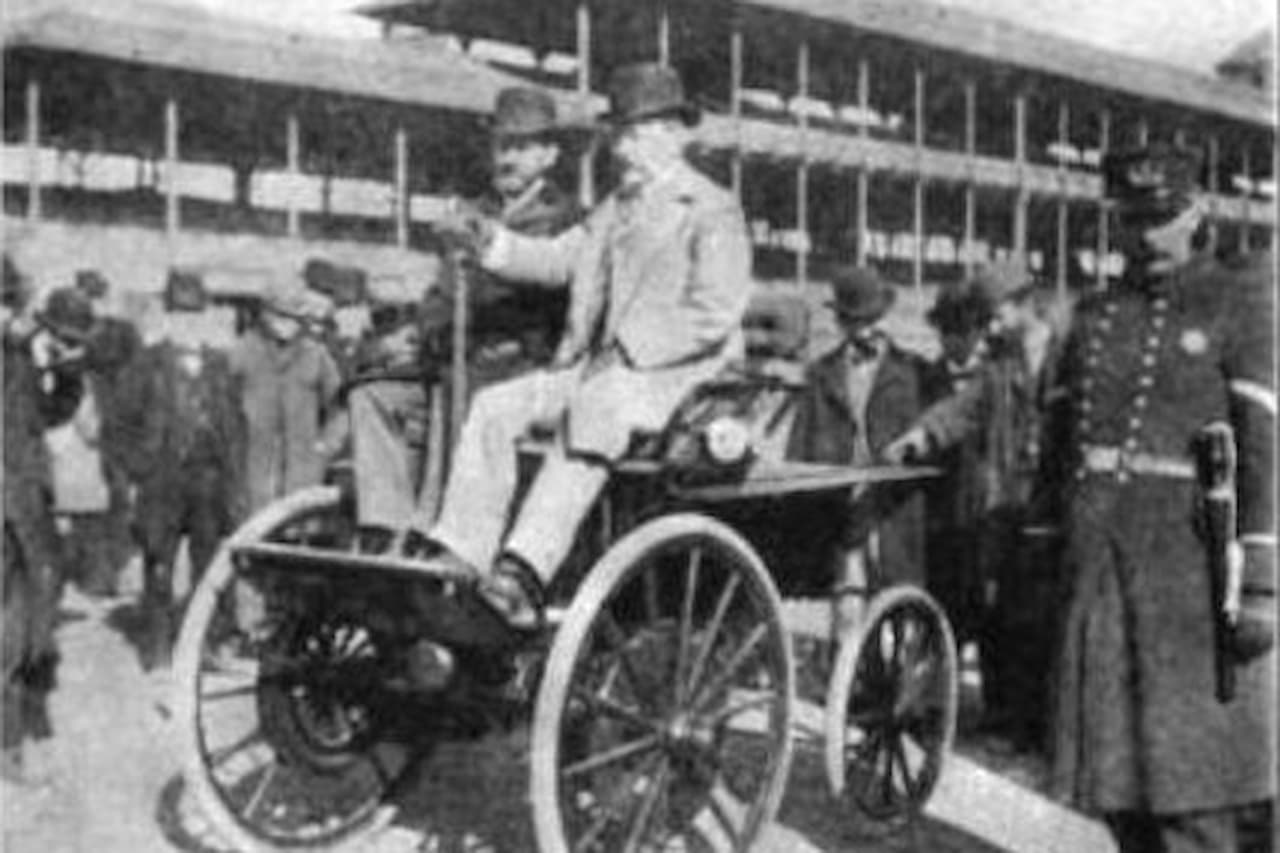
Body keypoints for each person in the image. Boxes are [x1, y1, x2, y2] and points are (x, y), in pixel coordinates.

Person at [414, 62, 752, 633]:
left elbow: (715, 311)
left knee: (594, 409)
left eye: (632, 133)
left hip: (678, 377)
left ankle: (523, 573)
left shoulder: (713, 208)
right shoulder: (614, 209)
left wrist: (629, 348)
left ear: (673, 133)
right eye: (617, 134)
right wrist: (489, 241)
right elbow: (555, 261)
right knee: (495, 406)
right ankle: (462, 555)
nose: (620, 148)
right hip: (603, 370)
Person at [1043, 144, 1273, 852]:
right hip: (1101, 568)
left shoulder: (1239, 302)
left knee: (1193, 783)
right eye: (1134, 218)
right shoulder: (1095, 312)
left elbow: (1265, 444)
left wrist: (1263, 576)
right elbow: (1057, 445)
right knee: (1118, 783)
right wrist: (1044, 543)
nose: (1148, 234)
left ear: (1197, 211)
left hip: (1190, 572)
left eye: (1164, 217)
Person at [346, 86, 582, 548]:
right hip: (454, 358)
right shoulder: (472, 213)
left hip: (520, 364)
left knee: (468, 392)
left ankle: (438, 534)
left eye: (521, 146)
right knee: (373, 395)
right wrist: (422, 331)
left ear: (550, 154)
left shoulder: (567, 220)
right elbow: (442, 294)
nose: (507, 158)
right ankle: (385, 527)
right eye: (501, 146)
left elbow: (550, 290)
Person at [887, 258, 1066, 750]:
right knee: (1007, 613)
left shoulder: (1069, 353)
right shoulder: (1000, 365)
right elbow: (963, 409)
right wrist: (921, 435)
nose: (989, 325)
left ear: (1024, 305)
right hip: (1008, 508)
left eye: (995, 313)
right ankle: (1007, 720)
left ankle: (1048, 726)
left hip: (1058, 507)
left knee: (1050, 620)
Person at [784, 265, 933, 636]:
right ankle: (846, 685)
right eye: (851, 322)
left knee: (901, 601)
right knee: (847, 604)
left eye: (867, 321)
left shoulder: (914, 372)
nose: (860, 330)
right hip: (843, 505)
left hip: (894, 506)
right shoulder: (822, 373)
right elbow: (801, 442)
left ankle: (898, 684)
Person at [129, 272, 246, 670]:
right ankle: (158, 649)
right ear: (166, 315)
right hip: (161, 480)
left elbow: (235, 424)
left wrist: (232, 476)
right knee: (158, 563)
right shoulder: (147, 363)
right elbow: (120, 423)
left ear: (206, 316)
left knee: (210, 567)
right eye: (180, 313)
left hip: (209, 480)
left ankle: (208, 646)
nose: (187, 322)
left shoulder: (220, 365)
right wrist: (140, 468)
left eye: (194, 314)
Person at [2, 265, 88, 783]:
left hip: (27, 497)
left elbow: (46, 415)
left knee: (31, 620)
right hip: (10, 504)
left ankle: (18, 735)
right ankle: (10, 747)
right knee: (14, 626)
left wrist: (70, 374)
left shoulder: (20, 357)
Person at [231, 280, 343, 515]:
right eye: (281, 315)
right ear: (264, 314)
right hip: (253, 470)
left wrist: (326, 446)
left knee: (297, 535)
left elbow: (340, 407)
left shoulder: (316, 355)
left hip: (302, 471)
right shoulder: (241, 353)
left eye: (295, 317)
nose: (288, 324)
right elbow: (222, 409)